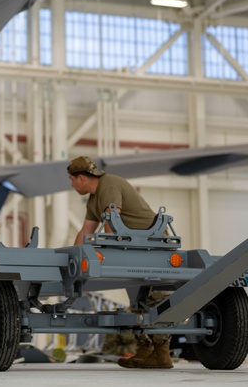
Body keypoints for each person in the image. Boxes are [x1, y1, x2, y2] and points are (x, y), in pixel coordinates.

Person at [66, 156, 172, 370]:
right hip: (134, 246)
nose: (71, 184)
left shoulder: (109, 186)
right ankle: (145, 351)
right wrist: (72, 257)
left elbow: (112, 226)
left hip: (151, 244)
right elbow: (86, 231)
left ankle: (161, 354)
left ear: (81, 178)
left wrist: (106, 257)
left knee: (154, 298)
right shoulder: (94, 199)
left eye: (72, 179)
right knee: (137, 299)